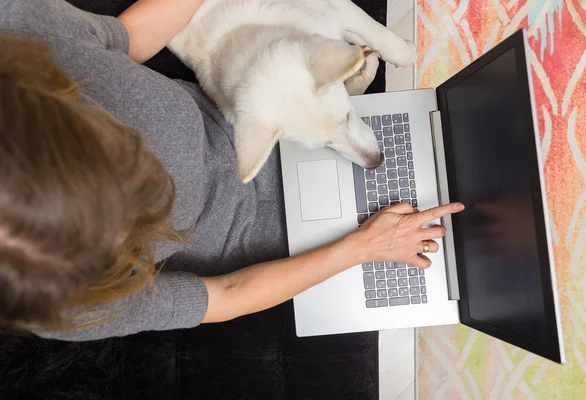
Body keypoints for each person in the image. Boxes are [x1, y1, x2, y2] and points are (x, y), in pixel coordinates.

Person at [0, 0, 464, 340]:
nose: (162, 191)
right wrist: (362, 248)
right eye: (140, 234)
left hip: (258, 108)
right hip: (284, 243)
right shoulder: (58, 301)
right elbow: (225, 295)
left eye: (130, 147)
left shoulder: (22, 30)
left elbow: (126, 39)